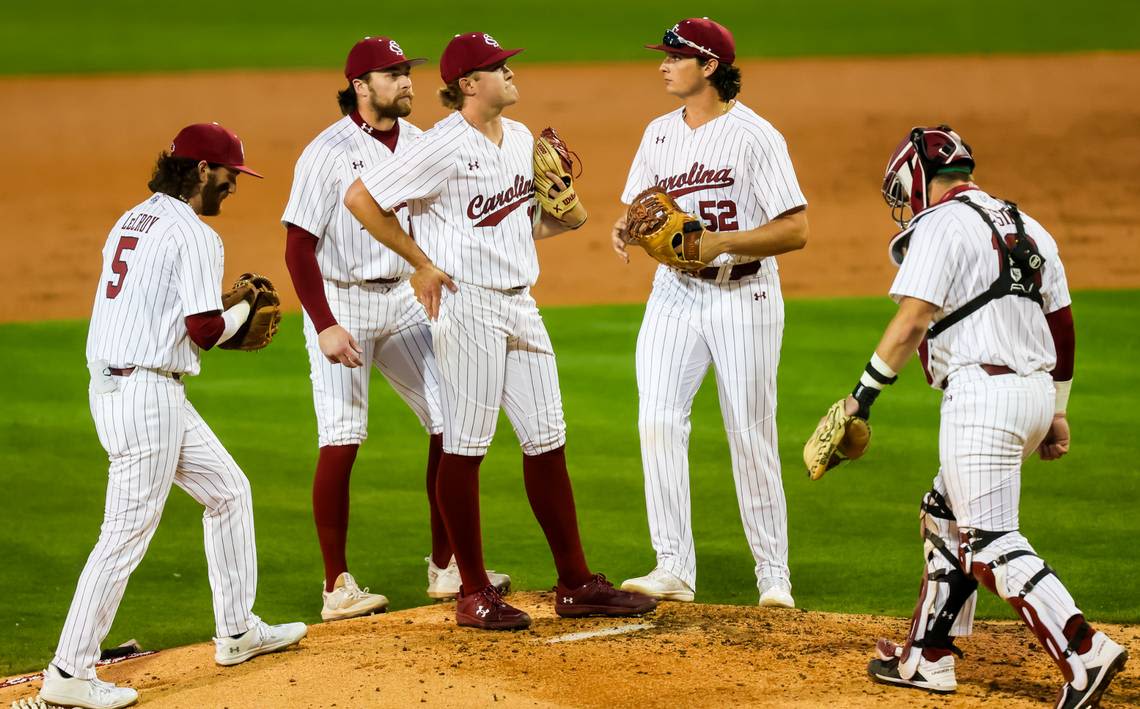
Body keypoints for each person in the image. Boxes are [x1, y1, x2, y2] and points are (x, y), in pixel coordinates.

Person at [342, 31, 657, 630]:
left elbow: (514, 225)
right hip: (468, 308)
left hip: (521, 305)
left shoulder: (517, 138)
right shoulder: (440, 145)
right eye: (498, 68)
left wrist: (562, 217)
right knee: (465, 445)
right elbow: (362, 199)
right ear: (468, 84)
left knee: (547, 438)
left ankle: (575, 583)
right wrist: (421, 262)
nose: (512, 74)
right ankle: (472, 590)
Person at [842, 125, 1126, 706]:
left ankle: (1085, 651)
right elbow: (1062, 324)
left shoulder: (942, 224)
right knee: (944, 513)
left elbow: (913, 320)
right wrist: (1058, 412)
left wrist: (860, 397)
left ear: (919, 179)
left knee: (990, 542)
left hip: (981, 396)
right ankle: (928, 657)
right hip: (1032, 395)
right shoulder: (1031, 226)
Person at [42, 123, 306, 709]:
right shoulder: (194, 235)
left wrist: (224, 311)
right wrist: (241, 315)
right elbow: (206, 332)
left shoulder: (133, 217)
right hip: (145, 397)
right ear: (202, 171)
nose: (234, 186)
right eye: (230, 175)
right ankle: (69, 670)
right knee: (124, 535)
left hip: (124, 386)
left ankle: (237, 631)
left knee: (229, 491)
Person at [282, 36, 508, 621]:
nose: (407, 82)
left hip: (405, 299)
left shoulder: (420, 142)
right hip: (343, 301)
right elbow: (298, 248)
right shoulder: (326, 151)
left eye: (408, 72)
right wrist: (325, 325)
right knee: (342, 435)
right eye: (392, 73)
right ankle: (337, 587)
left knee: (450, 420)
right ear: (360, 86)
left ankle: (446, 566)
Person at [611, 18, 808, 608]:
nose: (663, 64)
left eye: (676, 56)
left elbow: (795, 230)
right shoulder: (659, 134)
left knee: (749, 432)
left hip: (742, 294)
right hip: (673, 293)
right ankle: (672, 564)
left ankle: (774, 576)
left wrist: (721, 243)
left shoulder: (756, 136)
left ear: (711, 67)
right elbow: (642, 208)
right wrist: (627, 226)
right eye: (664, 55)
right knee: (658, 420)